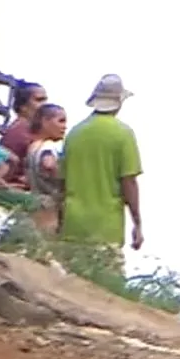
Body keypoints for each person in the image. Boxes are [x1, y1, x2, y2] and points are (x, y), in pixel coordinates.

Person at [59, 75, 144, 261]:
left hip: (73, 225)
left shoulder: (74, 133)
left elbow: (62, 181)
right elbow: (129, 182)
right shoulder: (123, 134)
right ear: (119, 102)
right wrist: (137, 223)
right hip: (106, 228)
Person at [22, 104, 69, 233]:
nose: (64, 127)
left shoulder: (32, 147)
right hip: (50, 207)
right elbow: (48, 164)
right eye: (61, 121)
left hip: (36, 203)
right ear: (45, 121)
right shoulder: (48, 146)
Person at [0, 81, 50, 162]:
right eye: (39, 100)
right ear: (23, 106)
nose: (45, 105)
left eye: (45, 100)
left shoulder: (27, 130)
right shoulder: (21, 132)